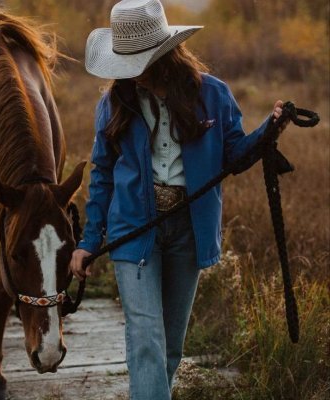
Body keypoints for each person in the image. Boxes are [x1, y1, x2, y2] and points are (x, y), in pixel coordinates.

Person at [70, 1, 289, 399]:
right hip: (133, 230)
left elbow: (234, 156)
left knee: (170, 346)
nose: (132, 73)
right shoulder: (114, 104)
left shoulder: (213, 95)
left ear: (163, 55)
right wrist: (88, 241)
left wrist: (269, 130)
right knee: (146, 338)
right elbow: (101, 175)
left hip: (189, 230)